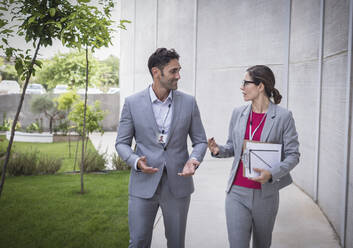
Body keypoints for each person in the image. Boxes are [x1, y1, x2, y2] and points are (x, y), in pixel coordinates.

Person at [115, 48, 207, 248]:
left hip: (178, 185)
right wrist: (135, 161)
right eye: (173, 71)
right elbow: (121, 143)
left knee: (176, 243)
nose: (178, 76)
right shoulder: (132, 103)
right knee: (138, 241)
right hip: (142, 184)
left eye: (178, 70)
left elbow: (200, 141)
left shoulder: (189, 102)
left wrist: (194, 160)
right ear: (156, 72)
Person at [208, 65, 300, 248]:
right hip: (236, 192)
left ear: (260, 86)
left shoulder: (283, 117)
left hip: (265, 195)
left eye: (246, 83)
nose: (242, 87)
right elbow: (233, 147)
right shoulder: (238, 113)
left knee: (262, 244)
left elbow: (293, 155)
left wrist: (272, 173)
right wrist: (218, 150)